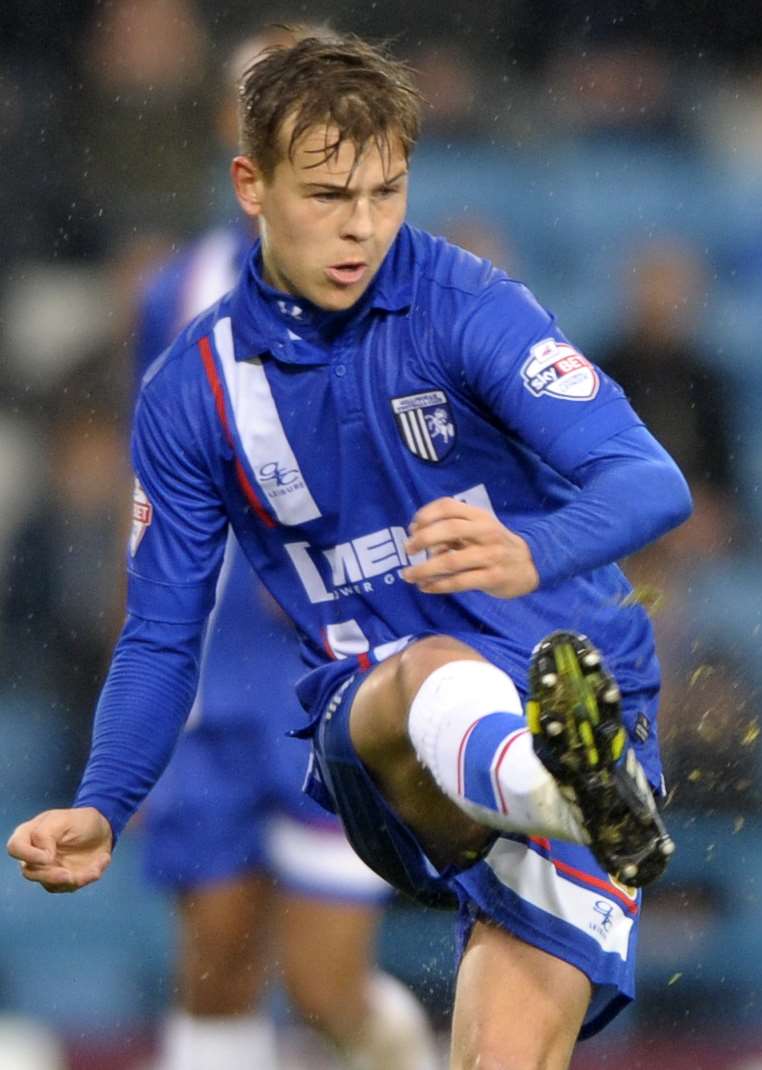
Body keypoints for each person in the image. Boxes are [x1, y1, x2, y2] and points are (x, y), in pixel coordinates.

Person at [8, 33, 686, 1070]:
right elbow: (159, 634)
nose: (363, 225)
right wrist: (105, 801)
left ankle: (575, 786)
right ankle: (571, 790)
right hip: (383, 730)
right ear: (252, 183)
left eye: (387, 190)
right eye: (330, 194)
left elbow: (652, 480)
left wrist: (530, 547)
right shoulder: (193, 390)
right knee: (417, 672)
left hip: (572, 682)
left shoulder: (470, 306)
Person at [130, 26, 439, 1070]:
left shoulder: (403, 281)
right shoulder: (175, 289)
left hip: (342, 651)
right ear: (240, 141)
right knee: (212, 948)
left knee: (321, 984)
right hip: (221, 665)